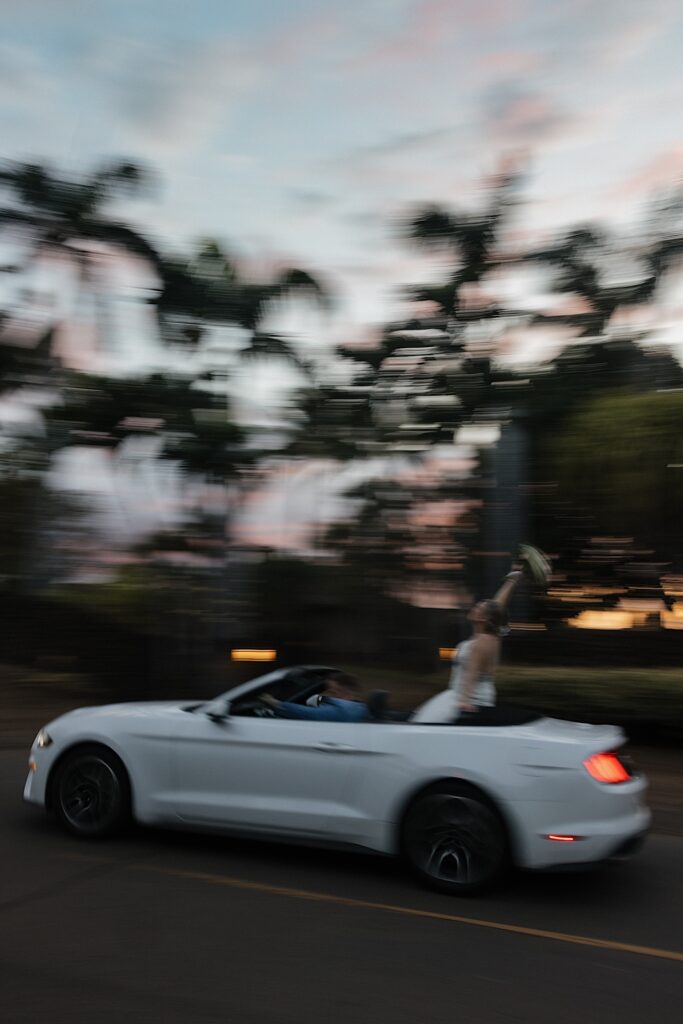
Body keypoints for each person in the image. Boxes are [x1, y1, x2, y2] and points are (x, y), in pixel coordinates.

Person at [411, 565, 525, 724]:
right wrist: (512, 580)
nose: (475, 607)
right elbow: (497, 606)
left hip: (471, 698)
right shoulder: (487, 635)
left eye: (479, 607)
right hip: (460, 694)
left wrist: (464, 702)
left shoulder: (482, 642)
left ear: (483, 619)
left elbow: (471, 673)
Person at [259, 670, 368, 722]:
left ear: (347, 693)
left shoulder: (344, 710)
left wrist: (274, 702)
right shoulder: (360, 708)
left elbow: (308, 714)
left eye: (332, 692)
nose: (327, 695)